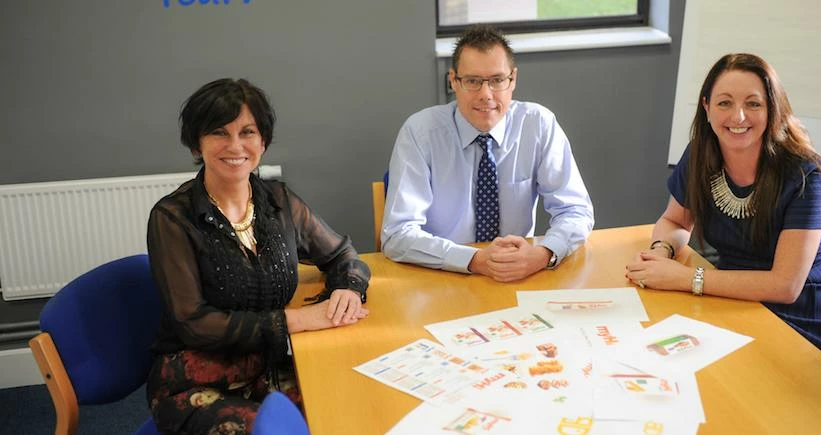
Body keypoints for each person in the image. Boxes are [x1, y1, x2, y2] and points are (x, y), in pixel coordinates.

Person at [146, 78, 371, 433]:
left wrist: (348, 290)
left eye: (247, 132)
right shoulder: (173, 217)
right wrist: (299, 320)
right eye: (219, 132)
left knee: (348, 408)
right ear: (196, 143)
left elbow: (343, 254)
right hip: (199, 380)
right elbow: (194, 324)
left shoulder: (278, 202)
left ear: (262, 142)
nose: (235, 146)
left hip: (272, 366)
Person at [625, 53, 821, 354]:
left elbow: (785, 286)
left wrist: (688, 278)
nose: (738, 117)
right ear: (707, 107)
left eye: (753, 104)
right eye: (724, 103)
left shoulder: (806, 175)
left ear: (772, 109)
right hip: (730, 302)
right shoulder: (701, 154)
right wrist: (661, 253)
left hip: (800, 325)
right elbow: (675, 221)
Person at [381, 24, 594, 282]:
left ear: (512, 80)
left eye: (496, 80)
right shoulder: (420, 132)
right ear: (453, 81)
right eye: (472, 81)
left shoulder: (538, 124)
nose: (486, 94)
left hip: (518, 274)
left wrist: (543, 254)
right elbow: (397, 234)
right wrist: (475, 260)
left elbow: (575, 211)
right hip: (440, 276)